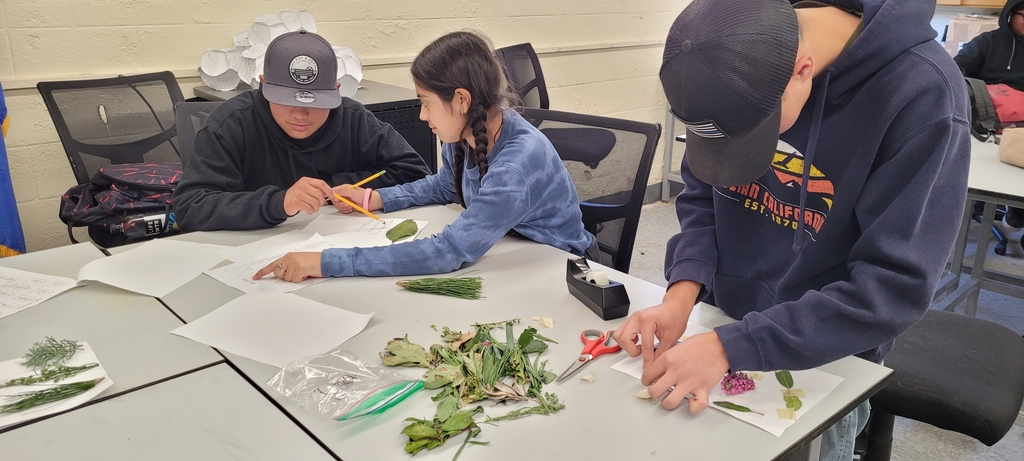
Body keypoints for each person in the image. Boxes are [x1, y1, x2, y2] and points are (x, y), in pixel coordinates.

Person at [612, 1, 970, 460]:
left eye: (752, 138)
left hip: (826, 358)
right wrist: (681, 294)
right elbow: (704, 193)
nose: (737, 156)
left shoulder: (924, 95)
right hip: (722, 329)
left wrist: (734, 345)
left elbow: (892, 288)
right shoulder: (734, 43)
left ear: (803, 70)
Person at [253, 31, 594, 281]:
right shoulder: (467, 131)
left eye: (425, 102)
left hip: (559, 270)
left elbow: (449, 251)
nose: (421, 115)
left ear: (461, 99)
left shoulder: (516, 166)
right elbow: (445, 186)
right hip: (513, 251)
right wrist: (373, 197)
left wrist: (325, 262)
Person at [173, 30, 431, 232]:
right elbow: (190, 207)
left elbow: (416, 173)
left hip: (340, 246)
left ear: (336, 91)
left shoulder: (354, 119)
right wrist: (279, 202)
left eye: (314, 103)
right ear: (263, 85)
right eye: (286, 100)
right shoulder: (230, 124)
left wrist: (345, 189)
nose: (299, 115)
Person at [954, 0, 1024, 228]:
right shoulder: (987, 42)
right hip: (983, 125)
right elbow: (955, 71)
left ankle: (1017, 213)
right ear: (1010, 14)